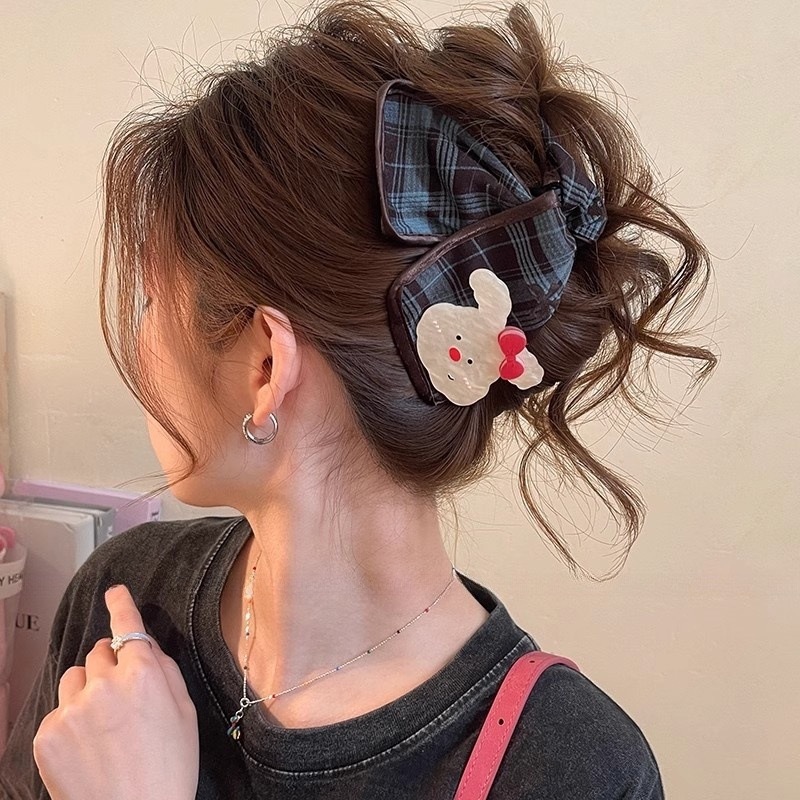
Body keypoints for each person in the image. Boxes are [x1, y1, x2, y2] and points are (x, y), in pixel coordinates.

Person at [0, 0, 717, 797]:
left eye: (149, 303)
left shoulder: (572, 773)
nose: (136, 346)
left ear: (265, 367)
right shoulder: (126, 602)